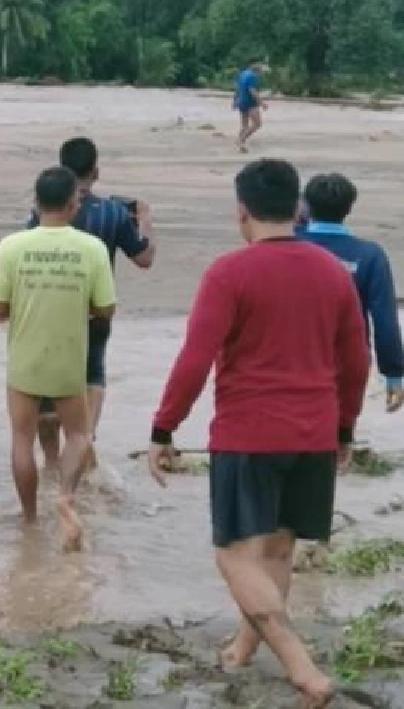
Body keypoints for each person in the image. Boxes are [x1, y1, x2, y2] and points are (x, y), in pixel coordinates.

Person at [147, 159, 369, 709]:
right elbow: (356, 360)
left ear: (241, 212)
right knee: (278, 548)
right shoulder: (333, 273)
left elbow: (196, 358)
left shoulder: (229, 273)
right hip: (314, 434)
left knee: (233, 555)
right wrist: (344, 427)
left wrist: (164, 426)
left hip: (249, 434)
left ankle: (301, 667)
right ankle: (244, 649)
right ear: (298, 209)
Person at [0, 166, 116, 552]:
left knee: (22, 439)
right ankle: (66, 496)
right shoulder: (92, 248)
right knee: (79, 434)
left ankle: (29, 519)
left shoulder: (11, 246)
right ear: (73, 204)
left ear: (36, 203)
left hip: (26, 360)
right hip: (68, 359)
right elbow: (106, 309)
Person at [29, 137, 156, 471]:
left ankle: (51, 463)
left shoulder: (43, 212)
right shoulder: (113, 213)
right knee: (92, 373)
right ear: (95, 172)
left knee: (47, 387)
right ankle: (84, 440)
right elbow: (144, 258)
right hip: (95, 310)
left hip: (50, 309)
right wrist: (145, 219)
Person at [298, 173, 404, 413]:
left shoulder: (289, 245)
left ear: (307, 205)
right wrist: (393, 374)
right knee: (340, 425)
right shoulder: (369, 255)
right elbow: (385, 319)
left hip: (293, 355)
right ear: (349, 208)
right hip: (348, 358)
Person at [235, 60, 268, 153]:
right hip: (250, 103)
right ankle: (241, 140)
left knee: (245, 125)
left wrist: (236, 100)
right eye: (262, 72)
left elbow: (238, 87)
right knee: (257, 124)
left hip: (241, 102)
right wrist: (262, 103)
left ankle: (240, 142)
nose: (262, 74)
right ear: (258, 70)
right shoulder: (253, 77)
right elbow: (252, 91)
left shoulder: (243, 74)